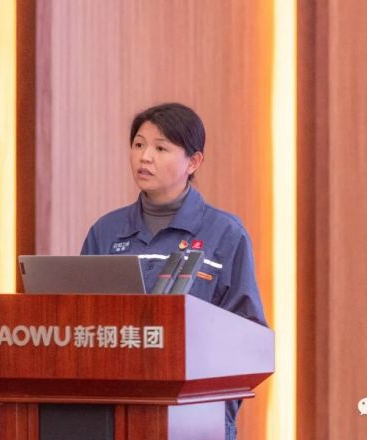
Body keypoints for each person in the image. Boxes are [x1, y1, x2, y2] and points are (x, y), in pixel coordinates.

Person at [81, 102, 268, 440]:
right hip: (111, 414)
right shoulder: (106, 232)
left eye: (160, 148)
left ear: (193, 162)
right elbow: (78, 322)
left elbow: (249, 337)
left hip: (196, 417)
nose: (144, 157)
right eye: (138, 144)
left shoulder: (224, 234)